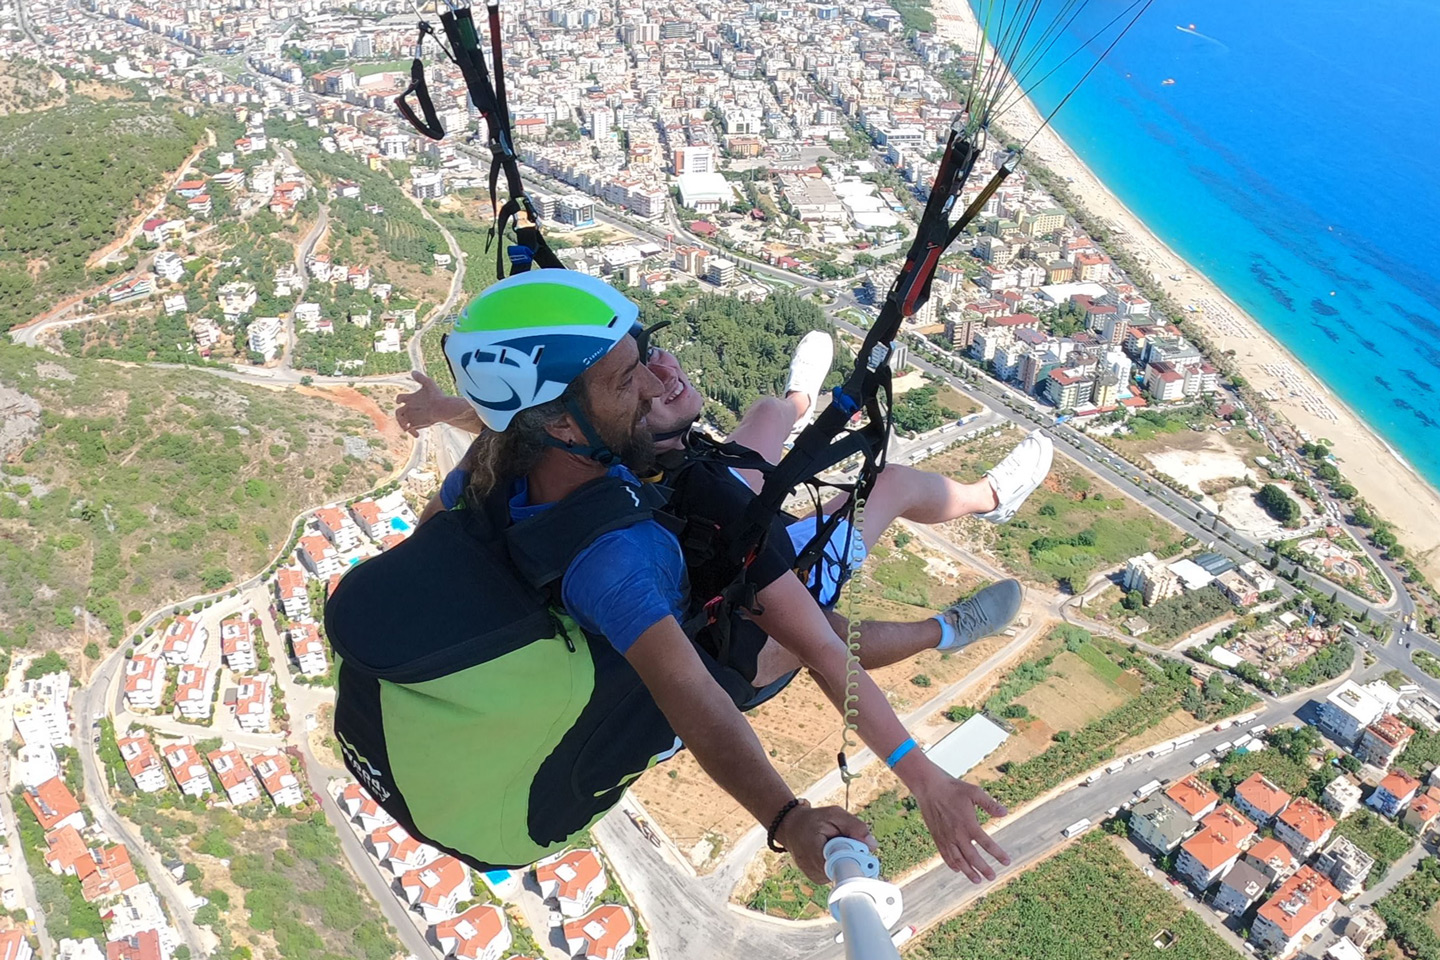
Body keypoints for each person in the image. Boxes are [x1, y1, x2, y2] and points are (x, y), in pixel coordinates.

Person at [368, 272, 1055, 882]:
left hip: (688, 538)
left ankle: (796, 399)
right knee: (869, 537)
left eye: (642, 354)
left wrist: (444, 411)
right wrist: (896, 785)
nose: (652, 381)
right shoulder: (611, 564)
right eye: (623, 380)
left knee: (763, 419)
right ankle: (970, 561)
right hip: (724, 632)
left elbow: (507, 436)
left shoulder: (499, 469)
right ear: (566, 426)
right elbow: (696, 694)